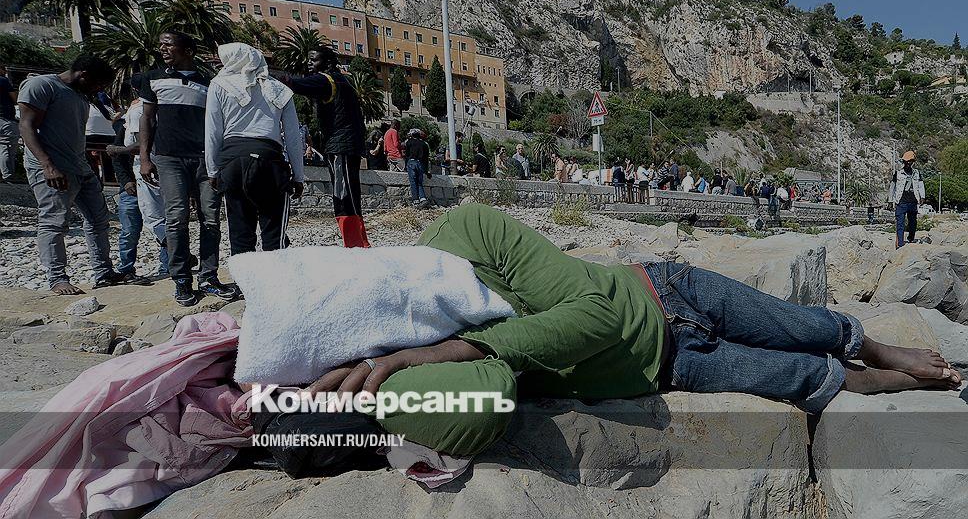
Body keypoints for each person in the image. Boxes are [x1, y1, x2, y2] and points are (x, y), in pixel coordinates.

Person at [280, 204, 961, 463]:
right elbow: (484, 404)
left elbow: (596, 317)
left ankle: (871, 343)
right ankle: (877, 378)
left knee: (802, 325)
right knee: (803, 378)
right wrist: (383, 393)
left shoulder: (468, 229)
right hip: (668, 370)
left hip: (666, 292)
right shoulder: (401, 368)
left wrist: (449, 345)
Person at [19, 55, 131, 295]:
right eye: (98, 84)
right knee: (54, 221)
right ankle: (57, 278)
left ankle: (104, 272)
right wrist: (47, 165)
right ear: (84, 75)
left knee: (98, 219)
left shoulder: (81, 95)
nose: (99, 89)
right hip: (51, 167)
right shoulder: (42, 85)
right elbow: (26, 126)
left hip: (79, 166)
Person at [140, 31, 237, 306]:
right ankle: (182, 280)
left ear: (188, 50)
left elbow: (219, 123)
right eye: (161, 44)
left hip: (206, 159)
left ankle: (209, 277)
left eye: (169, 44)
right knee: (176, 218)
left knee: (211, 219)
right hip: (170, 158)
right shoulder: (152, 78)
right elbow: (147, 119)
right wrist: (145, 157)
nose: (163, 49)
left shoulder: (210, 84)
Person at [204, 43, 305, 257]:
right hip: (270, 161)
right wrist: (298, 176)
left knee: (240, 234)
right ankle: (274, 277)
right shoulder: (280, 90)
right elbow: (293, 138)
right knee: (274, 237)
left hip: (233, 161)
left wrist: (212, 171)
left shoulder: (219, 85)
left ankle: (244, 278)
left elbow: (213, 131)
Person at [281, 45, 371, 248]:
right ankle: (360, 242)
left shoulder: (327, 80)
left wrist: (275, 79)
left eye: (314, 60)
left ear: (327, 63)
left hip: (340, 146)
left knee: (343, 194)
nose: (309, 63)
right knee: (350, 193)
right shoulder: (342, 81)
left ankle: (355, 245)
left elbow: (295, 84)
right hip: (347, 144)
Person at [105, 77, 166, 282]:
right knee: (130, 231)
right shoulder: (127, 121)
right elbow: (119, 157)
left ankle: (168, 265)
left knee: (158, 222)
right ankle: (126, 268)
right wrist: (126, 181)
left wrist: (117, 150)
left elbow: (129, 149)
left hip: (150, 179)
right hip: (132, 185)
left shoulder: (145, 113)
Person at [889, 151, 925, 249]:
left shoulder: (916, 173)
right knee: (900, 223)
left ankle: (911, 238)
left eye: (911, 161)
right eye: (907, 161)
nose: (908, 163)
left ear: (913, 162)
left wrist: (922, 197)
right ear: (904, 162)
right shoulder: (898, 174)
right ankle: (900, 244)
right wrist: (890, 200)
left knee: (913, 222)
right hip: (901, 202)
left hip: (913, 201)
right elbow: (892, 187)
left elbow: (921, 185)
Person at [0, 64, 22, 182]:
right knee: (7, 147)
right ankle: (8, 175)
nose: (5, 71)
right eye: (3, 69)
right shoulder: (3, 81)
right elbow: (15, 99)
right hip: (5, 117)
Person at [404, 128, 430, 206]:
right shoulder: (424, 144)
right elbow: (426, 158)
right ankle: (423, 198)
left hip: (411, 162)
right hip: (420, 164)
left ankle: (415, 200)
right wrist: (426, 170)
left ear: (412, 135)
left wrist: (405, 166)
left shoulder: (409, 142)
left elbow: (407, 155)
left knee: (413, 182)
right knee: (419, 182)